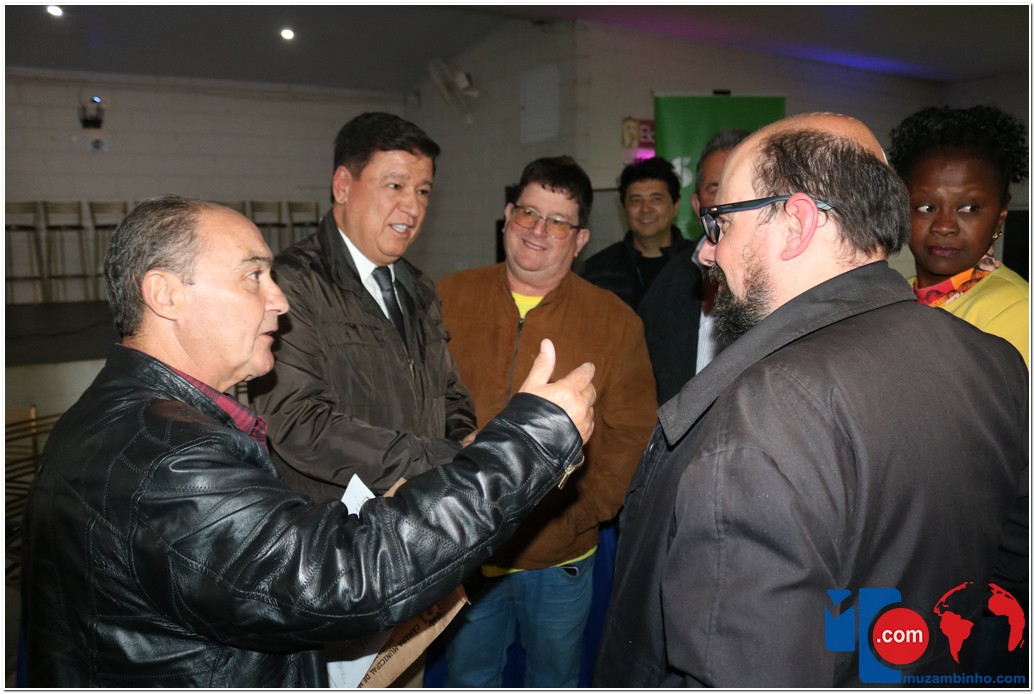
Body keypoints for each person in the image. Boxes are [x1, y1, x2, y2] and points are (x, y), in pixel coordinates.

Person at [21, 196, 598, 688]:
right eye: (253, 276)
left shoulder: (117, 411)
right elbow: (345, 577)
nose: (279, 299)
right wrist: (528, 444)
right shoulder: (170, 458)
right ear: (165, 294)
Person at [594, 113, 1028, 687]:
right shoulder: (994, 361)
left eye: (721, 223)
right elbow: (1003, 577)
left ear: (796, 223)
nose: (707, 253)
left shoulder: (766, 411)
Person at [437, 156, 657, 687]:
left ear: (579, 239)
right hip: (463, 551)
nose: (538, 231)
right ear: (508, 215)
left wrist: (575, 514)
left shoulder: (614, 321)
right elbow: (423, 406)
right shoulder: (446, 299)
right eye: (528, 213)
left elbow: (633, 435)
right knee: (469, 678)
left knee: (553, 678)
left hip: (559, 557)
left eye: (558, 222)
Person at [249, 112, 476, 499]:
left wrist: (466, 440)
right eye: (395, 185)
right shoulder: (291, 284)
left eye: (423, 191)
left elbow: (450, 393)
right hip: (337, 521)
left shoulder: (420, 288)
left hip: (420, 506)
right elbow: (298, 422)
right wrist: (440, 458)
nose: (413, 207)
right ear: (342, 185)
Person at [888, 104, 1029, 367]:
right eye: (926, 207)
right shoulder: (895, 296)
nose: (944, 226)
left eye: (969, 208)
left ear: (1001, 213)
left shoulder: (1017, 310)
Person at [637, 129, 750, 403]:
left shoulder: (787, 278)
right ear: (697, 205)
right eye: (715, 189)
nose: (726, 200)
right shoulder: (669, 282)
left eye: (740, 186)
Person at [579, 156, 693, 310]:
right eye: (636, 200)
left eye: (656, 199)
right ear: (624, 208)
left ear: (675, 206)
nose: (645, 209)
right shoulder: (596, 271)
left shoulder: (698, 263)